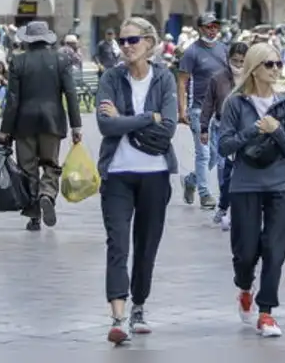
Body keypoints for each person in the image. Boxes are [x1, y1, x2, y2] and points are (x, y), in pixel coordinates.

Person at [94, 17, 179, 344]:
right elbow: (106, 125)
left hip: (155, 174)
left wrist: (124, 119)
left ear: (150, 43)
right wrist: (147, 118)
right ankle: (118, 316)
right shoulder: (112, 78)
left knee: (146, 246)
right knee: (117, 243)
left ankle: (139, 305)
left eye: (133, 40)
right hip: (117, 174)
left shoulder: (164, 79)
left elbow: (169, 127)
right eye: (122, 41)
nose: (126, 46)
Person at [217, 43, 285, 338]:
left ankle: (266, 313)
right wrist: (255, 129)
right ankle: (244, 286)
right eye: (270, 64)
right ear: (254, 68)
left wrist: (276, 130)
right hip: (245, 185)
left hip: (280, 185)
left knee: (275, 250)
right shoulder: (235, 104)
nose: (276, 69)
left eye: (279, 64)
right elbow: (224, 146)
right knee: (245, 251)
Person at [0, 20, 82, 231]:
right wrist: (76, 126)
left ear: (28, 40)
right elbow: (71, 94)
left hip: (24, 123)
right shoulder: (62, 60)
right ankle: (47, 194)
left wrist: (5, 130)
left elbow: (12, 100)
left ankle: (34, 215)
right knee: (51, 164)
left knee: (28, 169)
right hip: (52, 121)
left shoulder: (18, 61)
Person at [177, 12, 228, 209]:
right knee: (204, 154)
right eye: (209, 26)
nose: (213, 30)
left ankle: (191, 180)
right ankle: (205, 194)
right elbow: (181, 82)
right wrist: (182, 111)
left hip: (220, 111)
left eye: (216, 26)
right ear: (200, 29)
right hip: (198, 109)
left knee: (216, 154)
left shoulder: (224, 49)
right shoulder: (192, 52)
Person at [200, 41, 250, 231]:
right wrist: (203, 128)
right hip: (222, 127)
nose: (238, 65)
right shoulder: (218, 79)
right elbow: (208, 104)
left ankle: (240, 208)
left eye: (242, 61)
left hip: (245, 128)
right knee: (223, 168)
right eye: (234, 61)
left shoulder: (251, 78)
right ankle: (223, 205)